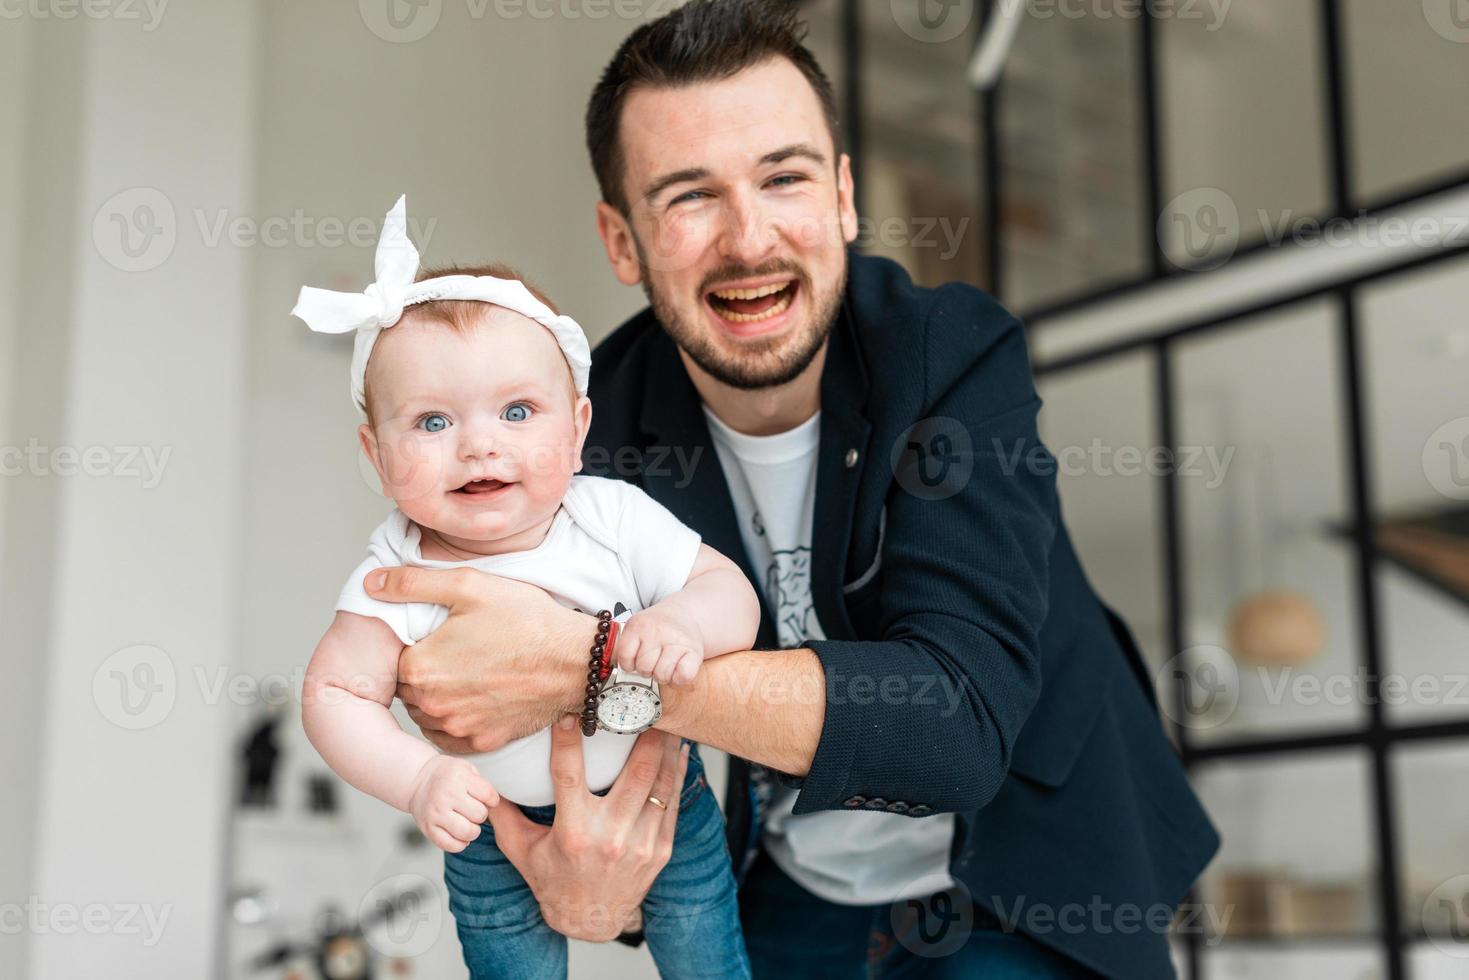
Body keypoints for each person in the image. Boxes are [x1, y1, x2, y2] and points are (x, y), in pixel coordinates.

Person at [362, 2, 1221, 976]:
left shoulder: (952, 353)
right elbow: (538, 716)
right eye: (688, 197)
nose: (748, 238)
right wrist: (580, 870)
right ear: (621, 240)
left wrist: (590, 664)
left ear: (844, 197)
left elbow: (956, 721)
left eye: (784, 177)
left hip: (1028, 858)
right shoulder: (580, 429)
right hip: (788, 876)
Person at [294, 197, 756, 979]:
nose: (478, 444)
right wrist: (419, 778)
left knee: (708, 957)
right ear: (374, 455)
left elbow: (729, 591)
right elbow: (335, 694)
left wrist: (684, 621)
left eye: (516, 411)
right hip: (487, 829)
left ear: (576, 430)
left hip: (661, 800)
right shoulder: (395, 566)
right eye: (432, 423)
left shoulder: (609, 514)